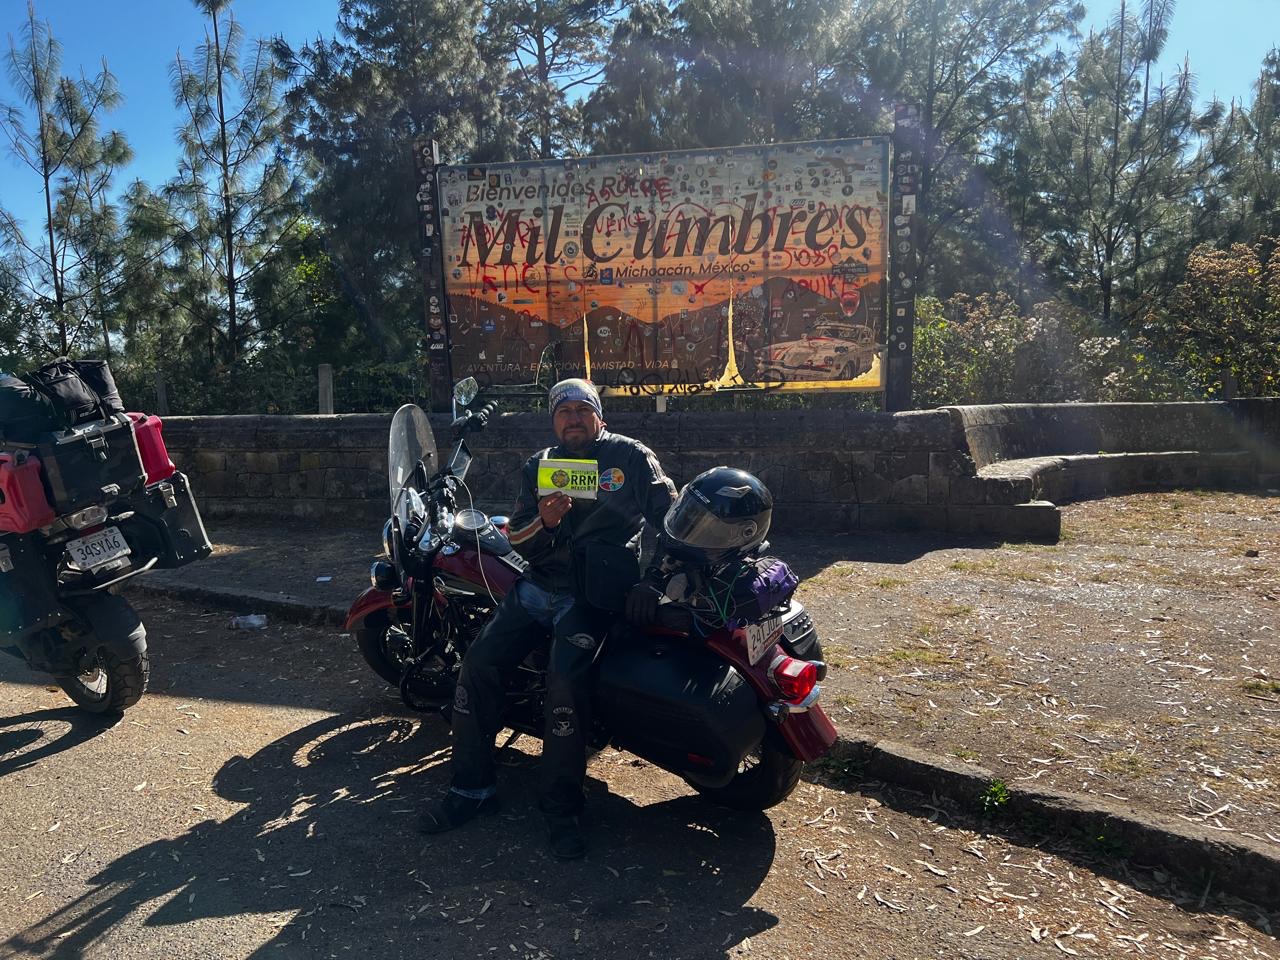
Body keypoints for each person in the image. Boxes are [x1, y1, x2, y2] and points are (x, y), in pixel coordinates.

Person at [420, 377, 677, 859]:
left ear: (599, 416)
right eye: (563, 412)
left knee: (565, 688)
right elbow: (516, 535)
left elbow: (673, 523)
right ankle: (471, 789)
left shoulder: (630, 457)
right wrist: (546, 520)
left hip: (593, 595)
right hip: (538, 587)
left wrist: (654, 580)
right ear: (553, 421)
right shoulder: (539, 464)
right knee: (478, 665)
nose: (573, 419)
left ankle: (562, 809)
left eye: (582, 410)